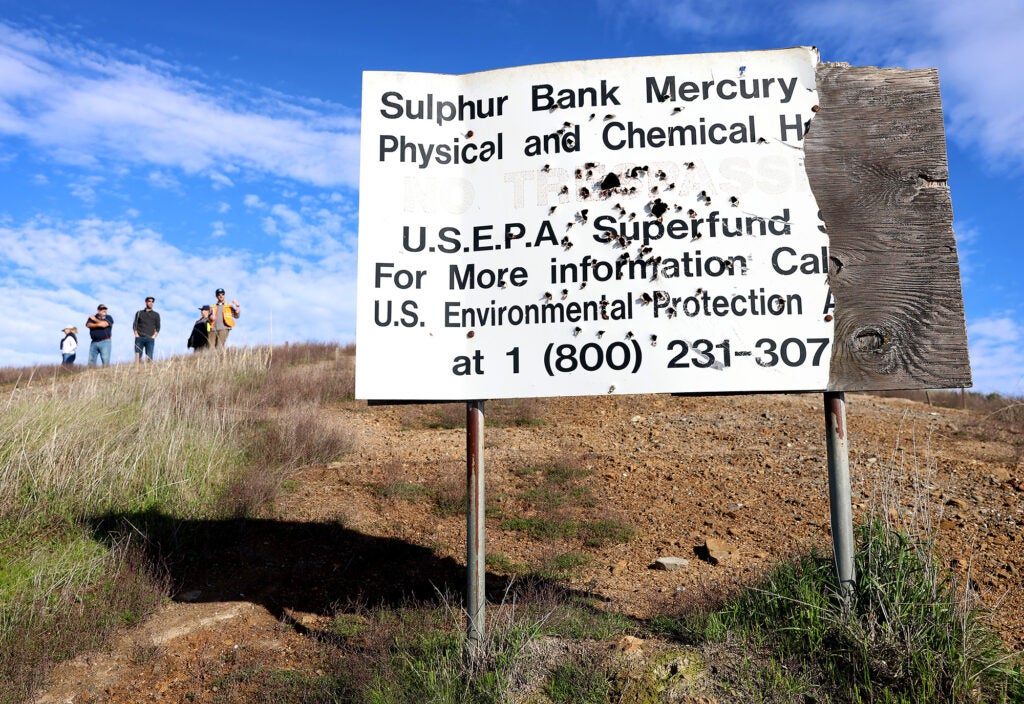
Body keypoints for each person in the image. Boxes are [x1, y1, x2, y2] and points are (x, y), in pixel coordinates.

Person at [132, 296, 161, 362]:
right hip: (139, 338)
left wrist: (154, 336)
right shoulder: (139, 313)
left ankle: (148, 371)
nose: (151, 303)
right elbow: (135, 324)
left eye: (152, 302)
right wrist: (136, 334)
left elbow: (158, 327)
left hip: (150, 339)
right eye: (149, 301)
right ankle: (137, 371)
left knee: (149, 358)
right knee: (137, 357)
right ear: (146, 302)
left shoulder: (156, 314)